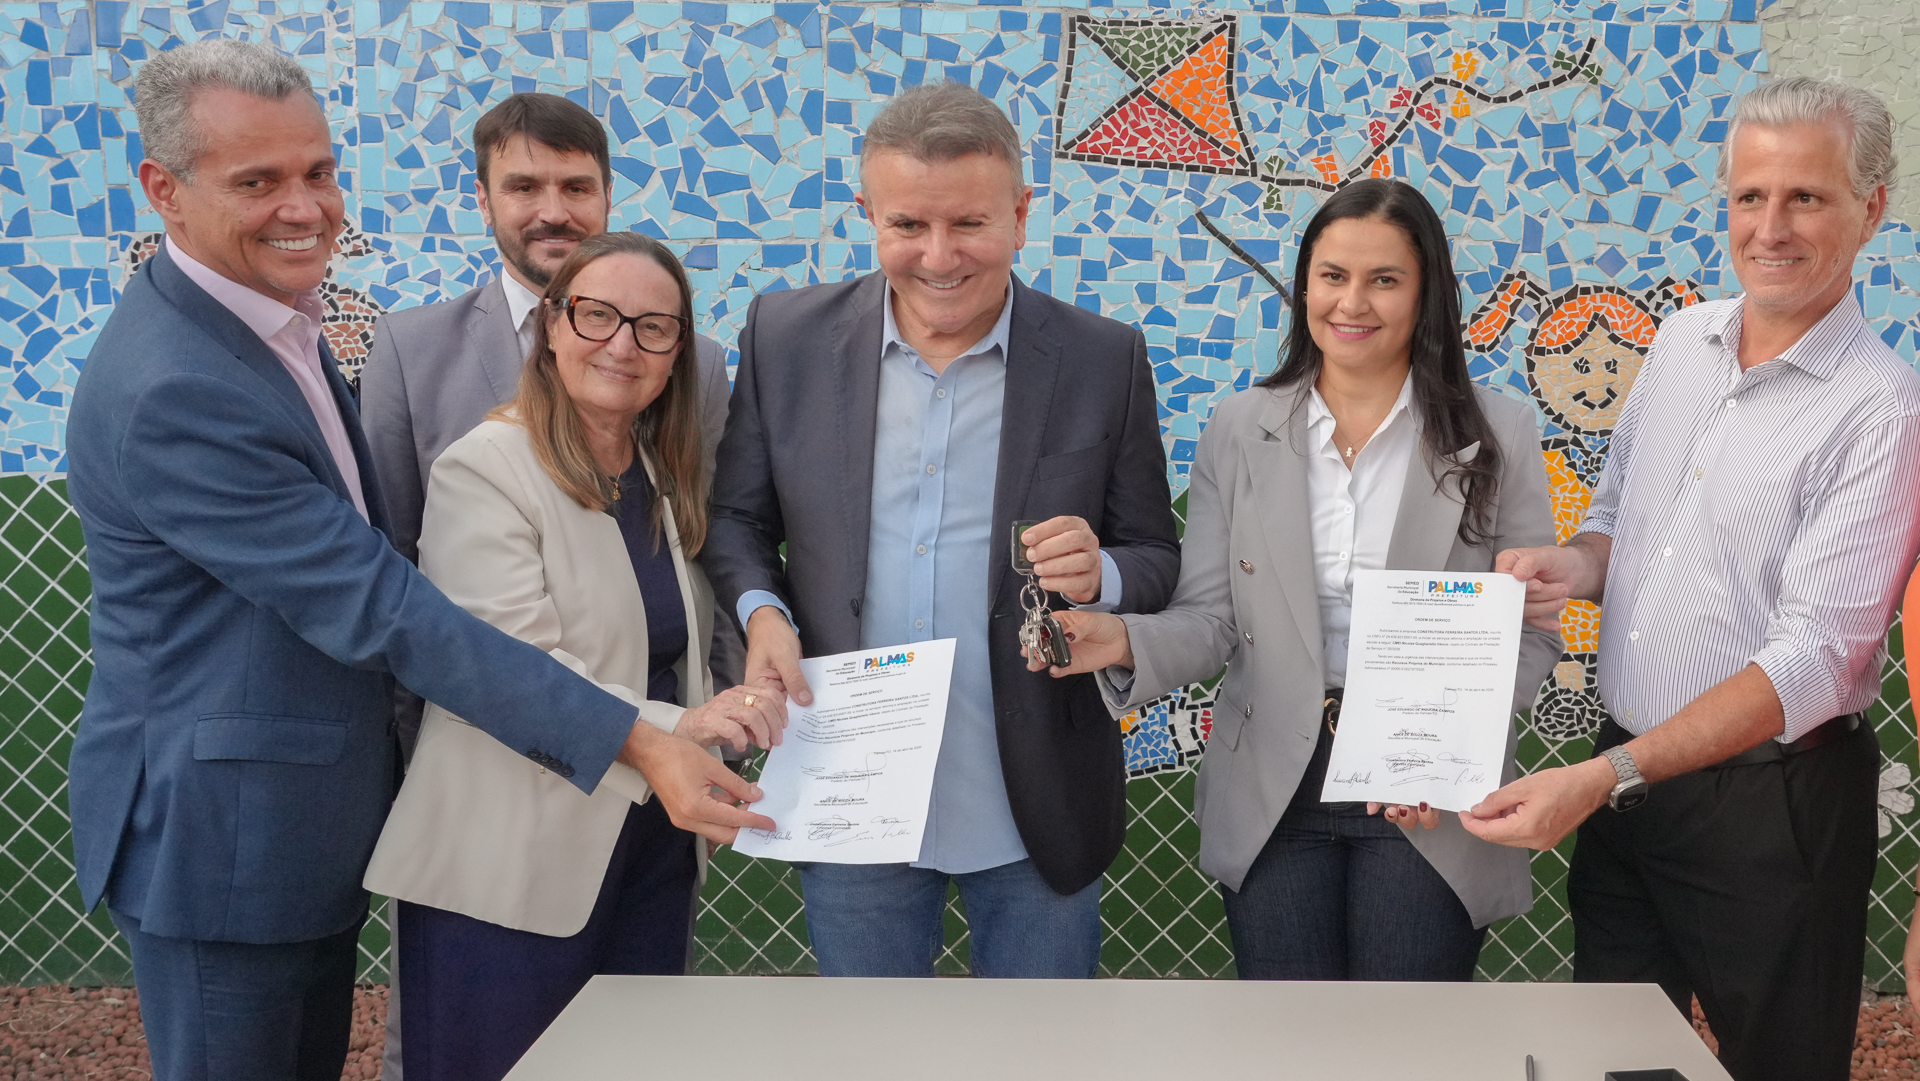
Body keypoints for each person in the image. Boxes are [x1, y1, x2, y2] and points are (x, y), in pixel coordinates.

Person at [62, 40, 766, 1081]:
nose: (305, 206)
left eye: (319, 172)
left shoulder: (274, 331)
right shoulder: (179, 383)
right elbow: (387, 603)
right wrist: (639, 737)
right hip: (227, 841)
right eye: (257, 181)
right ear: (163, 191)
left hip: (300, 820)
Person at [1464, 77, 1920, 1081]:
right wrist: (1570, 567)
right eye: (1751, 196)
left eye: (1807, 196)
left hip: (1773, 810)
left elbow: (1812, 659)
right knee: (1616, 1062)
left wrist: (1600, 778)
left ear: (1871, 208)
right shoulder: (1678, 343)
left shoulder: (1883, 412)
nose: (1772, 226)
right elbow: (1622, 522)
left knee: (1780, 1065)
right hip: (1627, 786)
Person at [704, 81, 1182, 978]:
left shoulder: (1101, 357)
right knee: (871, 1060)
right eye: (907, 226)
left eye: (968, 224)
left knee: (1045, 1062)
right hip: (853, 790)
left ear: (1020, 215)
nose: (938, 256)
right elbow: (734, 518)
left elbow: (1156, 555)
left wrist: (1103, 578)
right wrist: (764, 611)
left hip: (1034, 799)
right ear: (868, 215)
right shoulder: (785, 337)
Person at [1034, 178, 1559, 980]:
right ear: (1305, 284)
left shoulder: (1499, 431)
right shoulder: (1240, 427)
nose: (1354, 302)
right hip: (1273, 779)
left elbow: (1528, 629)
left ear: (1427, 296)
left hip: (1425, 793)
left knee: (1406, 1048)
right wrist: (1120, 638)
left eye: (1385, 279)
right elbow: (1210, 616)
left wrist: (1443, 753)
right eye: (1333, 275)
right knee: (1287, 1045)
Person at [355, 92, 740, 1079]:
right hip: (509, 836)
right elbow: (458, 631)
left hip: (644, 838)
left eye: (652, 330)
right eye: (599, 319)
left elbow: (693, 598)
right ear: (554, 330)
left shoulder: (652, 462)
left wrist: (740, 696)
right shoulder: (481, 457)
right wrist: (676, 731)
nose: (624, 344)